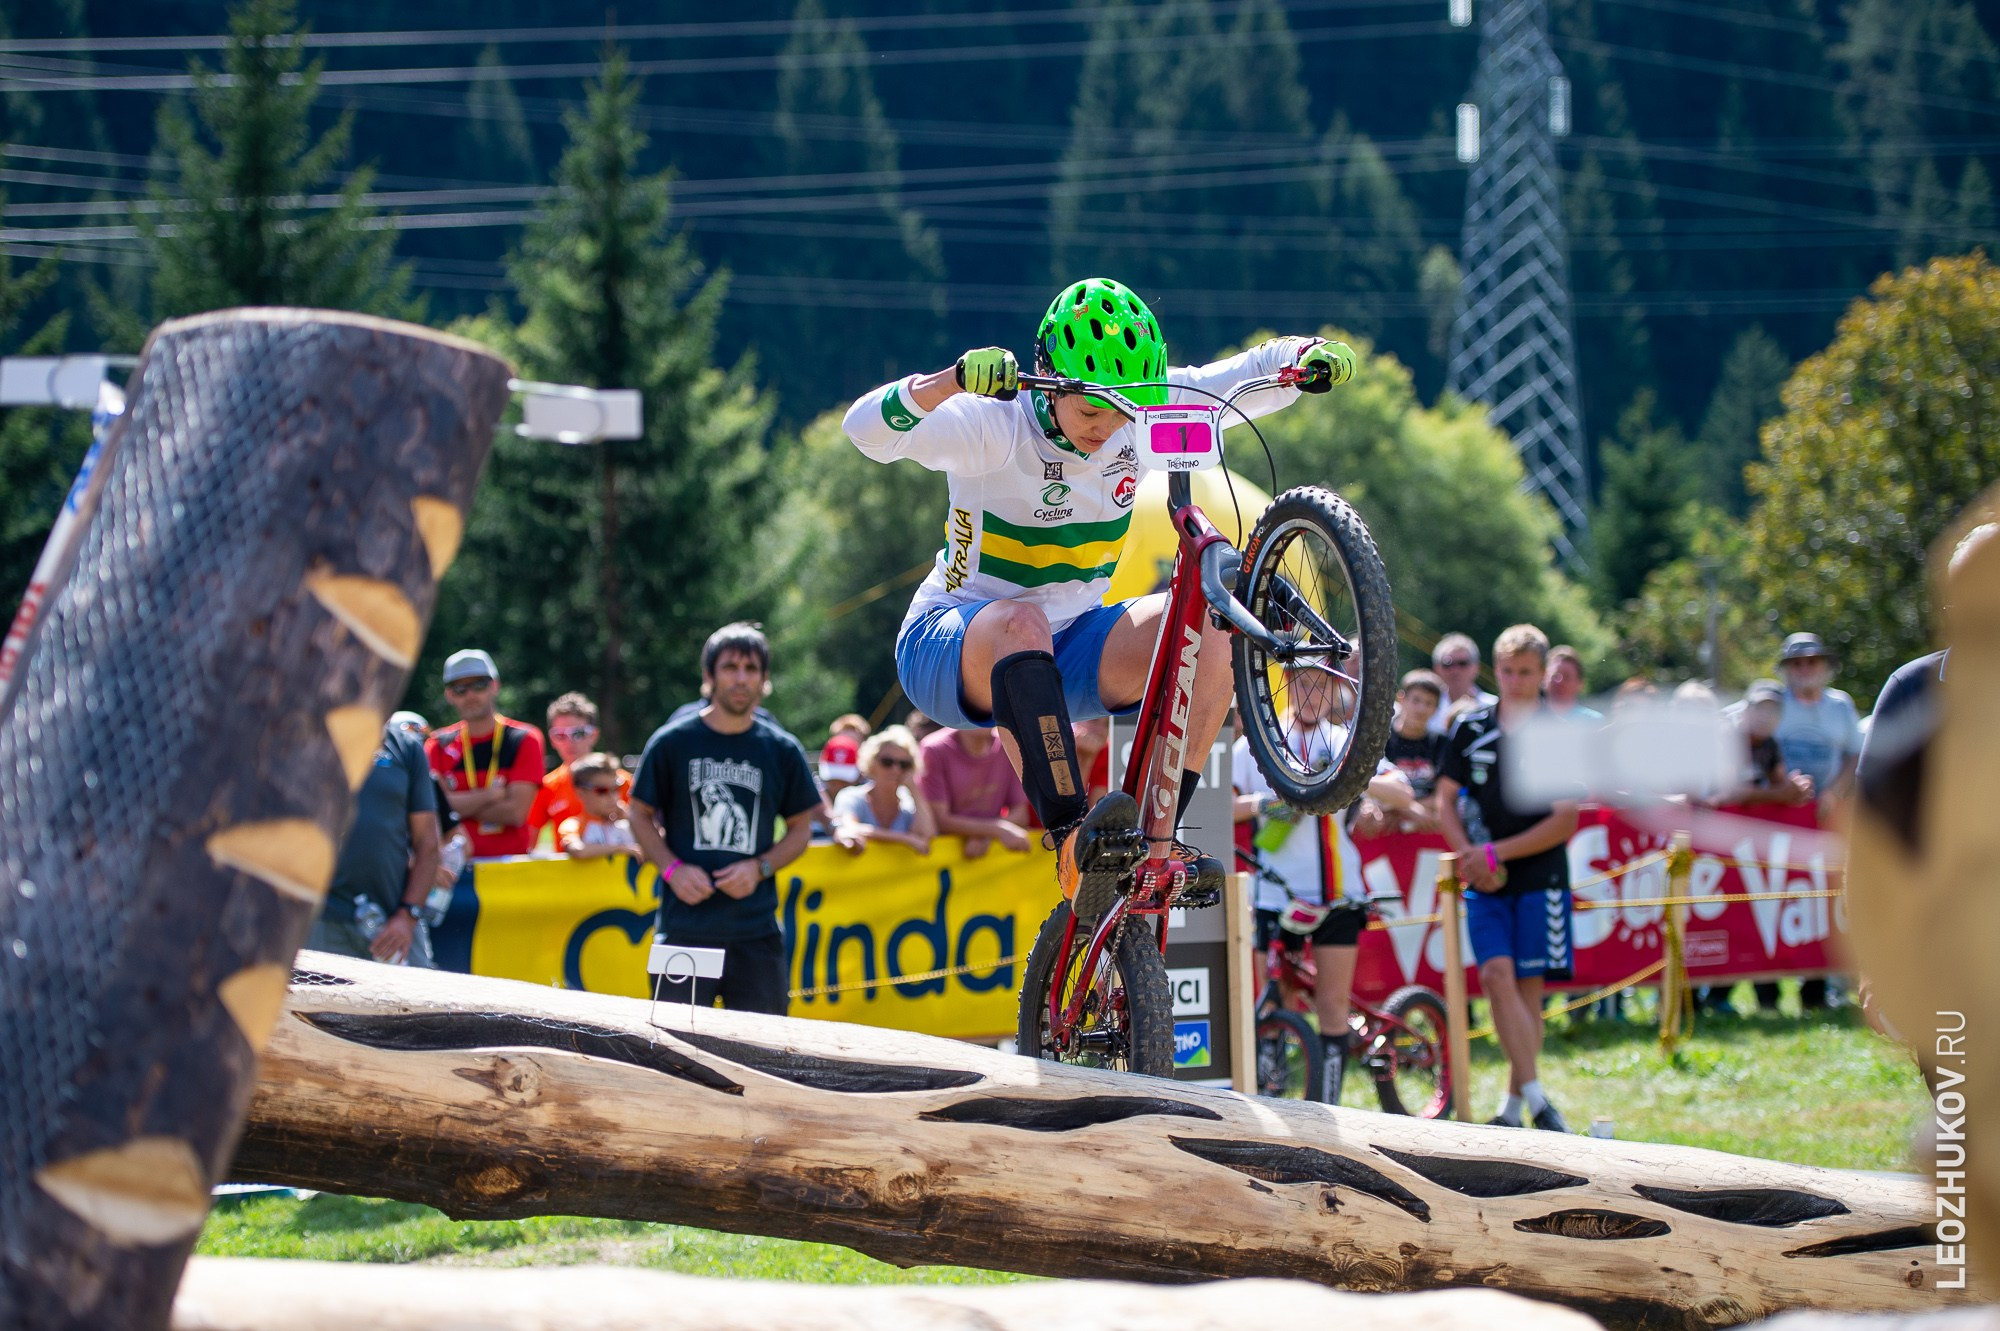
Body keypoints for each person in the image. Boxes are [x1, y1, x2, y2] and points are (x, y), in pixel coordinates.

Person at [842, 276, 1355, 925]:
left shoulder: (1138, 418)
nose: (1107, 428)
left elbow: (1242, 377)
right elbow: (863, 428)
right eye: (1090, 412)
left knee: (1213, 625)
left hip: (1072, 646)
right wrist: (948, 380)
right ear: (1049, 379)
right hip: (949, 642)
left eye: (1121, 412)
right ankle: (1071, 837)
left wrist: (1306, 357)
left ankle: (1161, 841)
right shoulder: (991, 423)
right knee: (1020, 620)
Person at [1233, 661, 1415, 1104]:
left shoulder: (1342, 741)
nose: (1310, 693)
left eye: (1319, 684)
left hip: (1336, 894)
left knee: (1332, 1007)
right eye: (1301, 683)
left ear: (1334, 690)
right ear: (1287, 687)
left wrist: (1349, 776)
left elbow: (1404, 793)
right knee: (1274, 1001)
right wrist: (1263, 805)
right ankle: (1272, 1098)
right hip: (1276, 894)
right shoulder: (1258, 742)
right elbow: (1217, 803)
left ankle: (1328, 1110)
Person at [628, 623, 822, 1014]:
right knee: (675, 1052)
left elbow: (801, 828)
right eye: (730, 667)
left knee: (760, 1054)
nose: (740, 678)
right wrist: (671, 869)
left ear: (764, 680)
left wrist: (760, 867)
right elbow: (639, 812)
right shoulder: (672, 741)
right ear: (709, 676)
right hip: (683, 930)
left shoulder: (781, 749)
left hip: (756, 933)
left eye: (751, 669)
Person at [1435, 623, 1580, 1132]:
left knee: (1528, 990)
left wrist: (1496, 854)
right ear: (1494, 670)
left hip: (1541, 874)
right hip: (1483, 874)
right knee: (1495, 977)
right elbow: (1444, 800)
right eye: (1508, 670)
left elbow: (1565, 819)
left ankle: (1515, 1109)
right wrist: (1472, 856)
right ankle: (1540, 1100)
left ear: (1543, 674)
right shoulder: (1470, 726)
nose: (1516, 680)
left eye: (1526, 671)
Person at [309, 717, 442, 966]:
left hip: (393, 920)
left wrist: (408, 914)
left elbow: (427, 842)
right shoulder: (309, 738)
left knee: (415, 1003)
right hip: (321, 920)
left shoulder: (406, 747)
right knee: (319, 1004)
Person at [425, 649, 546, 860]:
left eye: (479, 685)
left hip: (509, 868)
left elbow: (516, 813)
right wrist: (491, 795)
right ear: (449, 695)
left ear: (495, 686)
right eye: (460, 689)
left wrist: (454, 806)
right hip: (456, 871)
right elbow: (432, 810)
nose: (470, 695)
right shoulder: (437, 745)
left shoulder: (525, 738)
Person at [1773, 632, 1863, 824]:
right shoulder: (1772, 702)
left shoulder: (1841, 705)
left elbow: (1854, 754)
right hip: (1776, 809)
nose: (1805, 668)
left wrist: (1834, 792)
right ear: (1786, 669)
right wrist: (1779, 789)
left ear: (1824, 666)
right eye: (1797, 663)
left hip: (1826, 812)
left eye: (1812, 661)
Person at [916, 726, 1030, 859]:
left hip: (989, 862)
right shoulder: (934, 748)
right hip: (940, 860)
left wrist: (985, 834)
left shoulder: (1009, 745)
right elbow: (939, 820)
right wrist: (996, 830)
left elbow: (1021, 814)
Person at [532, 692, 630, 842]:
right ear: (551, 739)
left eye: (578, 733)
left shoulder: (621, 782)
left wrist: (627, 817)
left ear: (594, 735)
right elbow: (528, 844)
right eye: (560, 735)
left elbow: (649, 832)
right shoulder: (547, 786)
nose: (569, 742)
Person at [831, 725, 939, 854]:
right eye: (887, 762)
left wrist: (915, 791)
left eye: (904, 764)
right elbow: (850, 828)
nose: (896, 769)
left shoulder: (908, 803)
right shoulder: (850, 797)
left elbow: (927, 834)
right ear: (872, 762)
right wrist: (905, 839)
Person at [1722, 680, 1814, 807]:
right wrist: (1780, 794)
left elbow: (1780, 784)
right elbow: (1728, 792)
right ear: (1746, 710)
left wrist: (1797, 788)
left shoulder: (1769, 744)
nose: (1765, 716)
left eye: (1772, 711)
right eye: (1760, 709)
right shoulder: (1727, 737)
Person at [1382, 669, 1447, 832]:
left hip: (1426, 826)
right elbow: (1370, 785)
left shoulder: (1441, 743)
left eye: (1429, 703)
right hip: (1385, 822)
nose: (1421, 709)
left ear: (1436, 709)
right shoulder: (1381, 739)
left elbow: (1445, 793)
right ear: (1401, 698)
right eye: (1416, 700)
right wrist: (1410, 810)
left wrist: (1409, 810)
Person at [556, 752, 640, 859]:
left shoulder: (624, 820)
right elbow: (578, 850)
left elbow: (656, 839)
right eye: (602, 791)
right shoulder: (574, 824)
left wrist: (630, 818)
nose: (612, 797)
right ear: (580, 793)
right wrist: (621, 849)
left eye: (615, 789)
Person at [1428, 632, 1497, 735]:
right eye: (1448, 663)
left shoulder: (1493, 707)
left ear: (1476, 667)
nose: (1455, 670)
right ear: (1437, 668)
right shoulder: (1425, 707)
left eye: (1463, 663)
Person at [819, 713, 872, 804]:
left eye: (853, 742)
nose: (845, 747)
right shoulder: (817, 789)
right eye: (841, 740)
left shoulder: (872, 787)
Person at [1544, 645, 1603, 724]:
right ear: (1543, 678)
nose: (1559, 681)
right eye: (1555, 675)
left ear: (1580, 684)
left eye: (1567, 677)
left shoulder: (1594, 723)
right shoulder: (1528, 716)